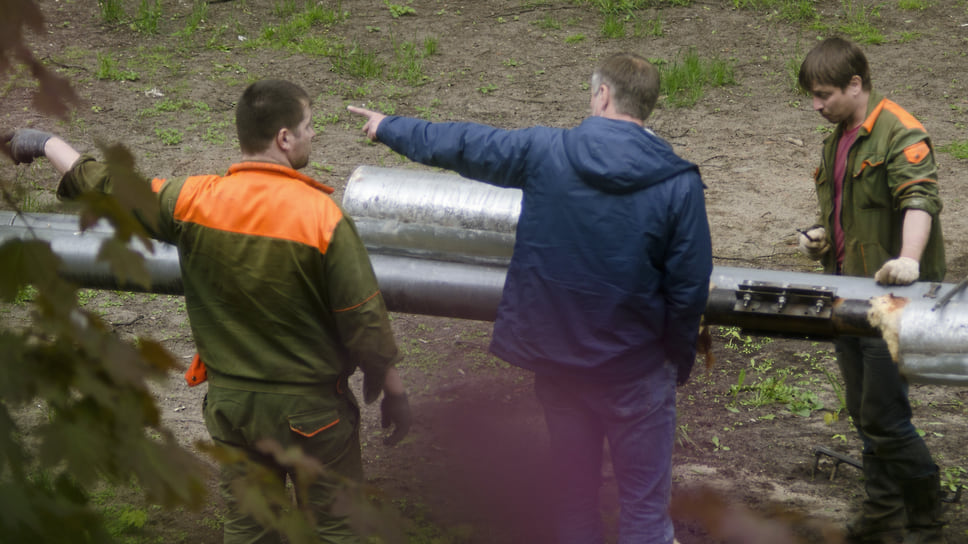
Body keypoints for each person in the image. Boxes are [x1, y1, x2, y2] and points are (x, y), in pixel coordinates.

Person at [3, 79, 412, 544]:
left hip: (233, 409)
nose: (314, 135)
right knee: (339, 529)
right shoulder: (323, 219)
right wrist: (392, 387)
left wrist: (44, 142)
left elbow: (103, 186)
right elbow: (364, 318)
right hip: (313, 411)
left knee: (251, 528)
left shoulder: (192, 200)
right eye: (309, 127)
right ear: (283, 139)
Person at [349, 52, 713, 544]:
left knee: (573, 503)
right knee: (645, 514)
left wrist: (390, 126)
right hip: (636, 372)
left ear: (602, 94)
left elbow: (464, 144)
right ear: (646, 105)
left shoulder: (546, 151)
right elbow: (689, 287)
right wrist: (675, 359)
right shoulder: (678, 182)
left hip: (560, 366)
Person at [797, 38, 946, 544]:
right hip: (847, 294)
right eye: (812, 97)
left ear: (855, 84)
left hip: (894, 303)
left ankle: (924, 502)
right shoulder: (839, 137)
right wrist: (821, 240)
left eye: (823, 95)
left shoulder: (900, 131)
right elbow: (845, 209)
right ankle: (888, 516)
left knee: (884, 416)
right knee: (866, 412)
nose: (816, 106)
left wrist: (908, 257)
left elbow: (919, 199)